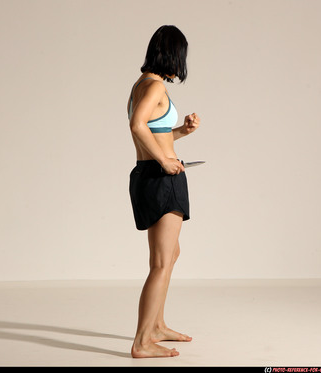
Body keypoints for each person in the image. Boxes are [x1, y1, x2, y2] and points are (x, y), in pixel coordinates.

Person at [127, 25, 200, 358]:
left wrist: (181, 131)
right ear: (172, 53)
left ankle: (156, 325)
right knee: (160, 261)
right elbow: (137, 126)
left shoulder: (141, 84)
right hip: (160, 178)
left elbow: (154, 133)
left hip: (154, 175)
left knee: (171, 255)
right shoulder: (155, 86)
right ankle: (142, 342)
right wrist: (165, 162)